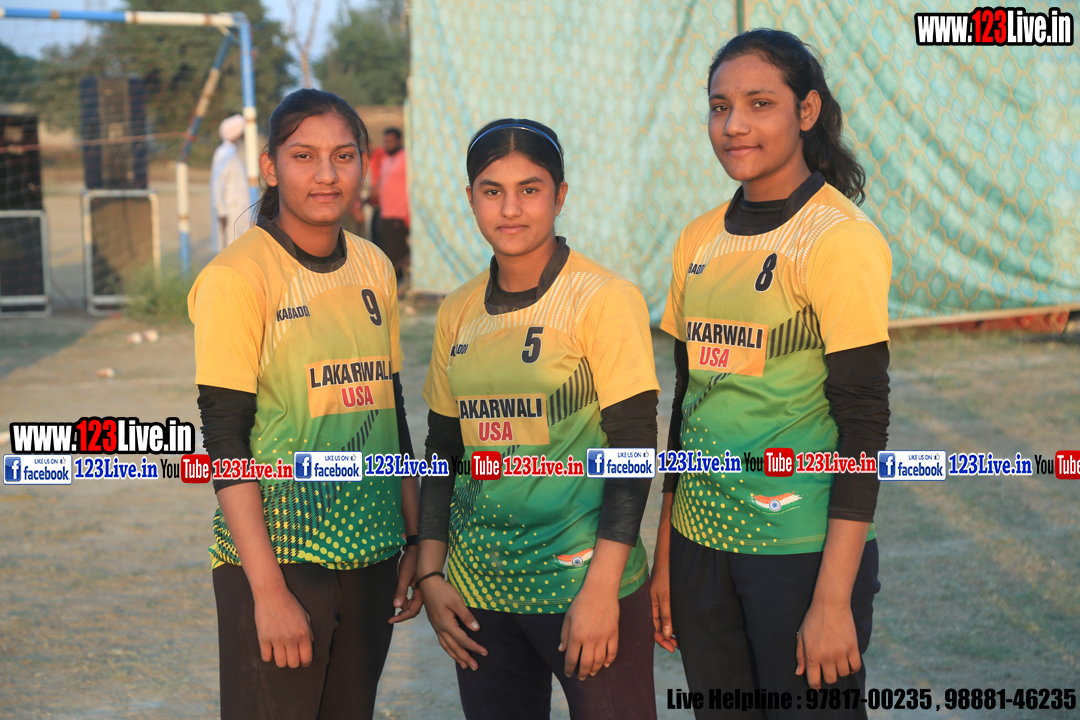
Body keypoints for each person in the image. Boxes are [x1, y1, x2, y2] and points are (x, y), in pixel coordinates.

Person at [650, 29, 891, 720]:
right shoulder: (697, 239)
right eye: (719, 106)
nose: (734, 125)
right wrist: (668, 555)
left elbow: (864, 426)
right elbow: (687, 407)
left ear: (806, 111)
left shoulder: (838, 239)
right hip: (700, 546)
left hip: (799, 549)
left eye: (760, 104)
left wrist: (832, 599)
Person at [187, 89, 422, 720]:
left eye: (344, 156)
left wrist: (413, 537)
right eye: (303, 156)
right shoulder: (237, 277)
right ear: (270, 167)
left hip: (372, 552)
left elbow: (390, 405)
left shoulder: (374, 266)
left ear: (363, 165)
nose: (326, 174)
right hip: (282, 555)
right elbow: (224, 440)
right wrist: (267, 590)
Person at [417, 119, 661, 720]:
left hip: (582, 583)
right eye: (491, 191)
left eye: (529, 189)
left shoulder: (603, 298)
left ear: (560, 195)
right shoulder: (458, 310)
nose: (510, 209)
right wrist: (430, 574)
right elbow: (443, 451)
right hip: (480, 591)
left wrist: (602, 588)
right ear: (470, 198)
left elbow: (634, 449)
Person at [210, 114, 251, 252]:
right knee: (231, 253)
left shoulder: (233, 153)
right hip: (231, 213)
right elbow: (217, 185)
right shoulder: (225, 154)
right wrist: (221, 212)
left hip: (239, 212)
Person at [374, 127, 409, 287]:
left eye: (391, 141)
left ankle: (398, 288)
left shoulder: (406, 158)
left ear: (399, 141)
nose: (388, 144)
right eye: (386, 141)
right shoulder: (386, 159)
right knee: (385, 253)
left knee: (397, 254)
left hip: (400, 215)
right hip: (385, 214)